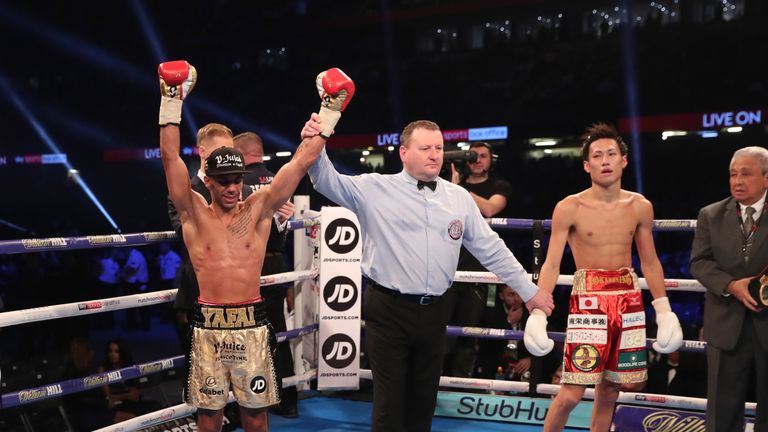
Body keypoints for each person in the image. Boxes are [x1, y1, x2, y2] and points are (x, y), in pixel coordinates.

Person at [301, 117, 554, 432]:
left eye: (439, 148)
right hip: (388, 308)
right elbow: (324, 179)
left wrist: (529, 291)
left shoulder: (458, 198)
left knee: (423, 404)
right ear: (404, 153)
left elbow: (491, 249)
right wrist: (319, 135)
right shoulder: (374, 187)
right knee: (389, 406)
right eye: (425, 148)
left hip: (435, 309)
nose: (435, 154)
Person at [158, 60, 353, 432]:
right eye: (224, 181)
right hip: (208, 326)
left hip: (252, 323)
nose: (233, 187)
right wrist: (171, 101)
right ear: (209, 183)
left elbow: (299, 163)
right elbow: (170, 159)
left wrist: (330, 112)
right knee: (209, 420)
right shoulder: (194, 214)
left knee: (255, 418)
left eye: (237, 179)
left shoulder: (259, 209)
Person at [523, 123, 683, 432]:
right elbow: (552, 264)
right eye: (598, 155)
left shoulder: (639, 206)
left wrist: (664, 310)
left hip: (628, 298)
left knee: (612, 390)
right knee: (571, 393)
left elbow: (649, 261)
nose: (605, 160)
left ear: (624, 160)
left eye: (611, 153)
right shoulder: (569, 207)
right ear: (587, 165)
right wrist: (539, 311)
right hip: (589, 302)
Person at [690, 145, 768, 432]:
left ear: (766, 178)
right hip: (726, 321)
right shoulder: (710, 215)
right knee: (722, 410)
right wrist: (730, 285)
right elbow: (699, 262)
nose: (737, 181)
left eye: (745, 174)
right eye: (733, 174)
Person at [234, 131, 299, 418]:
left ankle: (248, 401)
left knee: (243, 333)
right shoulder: (278, 181)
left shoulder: (236, 182)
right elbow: (284, 225)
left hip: (247, 264)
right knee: (276, 331)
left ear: (241, 153)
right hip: (276, 263)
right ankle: (289, 401)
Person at [444, 141, 512, 378]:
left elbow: (491, 209)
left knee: (468, 333)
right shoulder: (450, 186)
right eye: (473, 155)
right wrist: (453, 187)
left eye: (483, 156)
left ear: (491, 160)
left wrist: (460, 190)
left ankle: (459, 384)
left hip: (478, 271)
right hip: (448, 267)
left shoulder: (499, 186)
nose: (478, 160)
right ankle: (435, 381)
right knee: (440, 331)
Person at [98, 339, 161, 424]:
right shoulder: (102, 369)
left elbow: (135, 390)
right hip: (117, 405)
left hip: (132, 402)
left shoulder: (130, 367)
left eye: (116, 351)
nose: (112, 354)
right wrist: (127, 395)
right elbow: (108, 396)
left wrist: (132, 394)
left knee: (156, 406)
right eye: (110, 351)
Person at [121, 247, 150, 330]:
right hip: (134, 283)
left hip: (139, 283)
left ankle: (144, 326)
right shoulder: (132, 254)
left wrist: (121, 273)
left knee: (142, 306)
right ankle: (133, 325)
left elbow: (132, 269)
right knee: (132, 306)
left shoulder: (136, 255)